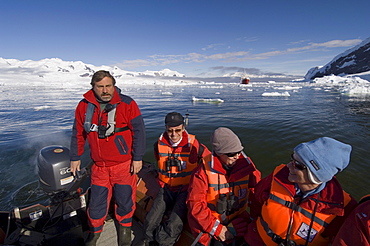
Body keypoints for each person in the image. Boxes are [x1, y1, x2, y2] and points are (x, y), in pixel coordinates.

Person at [69, 70, 146, 246]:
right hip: (99, 167)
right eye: (100, 87)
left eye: (108, 86)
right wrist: (75, 156)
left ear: (113, 86)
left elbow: (139, 132)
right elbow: (78, 133)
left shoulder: (127, 103)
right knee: (96, 204)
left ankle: (125, 230)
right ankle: (94, 233)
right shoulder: (83, 106)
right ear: (93, 87)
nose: (105, 91)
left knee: (125, 200)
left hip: (123, 165)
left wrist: (138, 157)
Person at [245, 137, 357, 246]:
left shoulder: (343, 207)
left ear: (317, 175)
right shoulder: (278, 176)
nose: (288, 166)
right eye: (292, 159)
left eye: (297, 165)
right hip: (257, 240)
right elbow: (256, 200)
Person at [187, 127, 261, 246]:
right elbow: (196, 206)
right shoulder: (202, 173)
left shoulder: (247, 167)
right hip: (211, 223)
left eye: (239, 151)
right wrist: (218, 229)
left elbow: (257, 193)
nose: (237, 156)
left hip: (238, 219)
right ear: (219, 153)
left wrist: (253, 220)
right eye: (232, 154)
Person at [143, 112, 207, 246]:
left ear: (183, 128)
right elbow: (158, 160)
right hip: (166, 188)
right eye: (170, 131)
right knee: (150, 219)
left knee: (174, 224)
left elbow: (208, 161)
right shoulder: (158, 145)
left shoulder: (194, 146)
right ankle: (149, 241)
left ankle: (164, 243)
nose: (173, 134)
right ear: (166, 128)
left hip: (185, 190)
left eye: (177, 130)